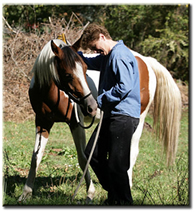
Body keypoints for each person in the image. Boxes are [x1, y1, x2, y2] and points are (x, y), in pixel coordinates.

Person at [78, 23, 140, 205]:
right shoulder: (107, 56)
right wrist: (76, 55)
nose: (96, 51)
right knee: (93, 154)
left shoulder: (119, 55)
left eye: (95, 47)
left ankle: (125, 203)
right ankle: (115, 195)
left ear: (102, 37)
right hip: (112, 115)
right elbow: (89, 61)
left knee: (117, 165)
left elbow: (125, 86)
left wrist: (101, 99)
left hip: (124, 116)